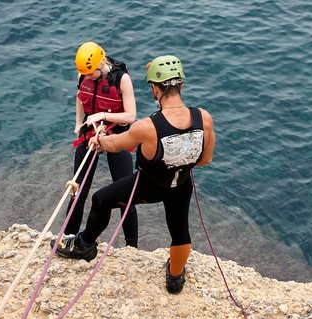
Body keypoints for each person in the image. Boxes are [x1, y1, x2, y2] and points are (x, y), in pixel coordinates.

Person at [55, 55, 215, 294]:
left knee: (101, 199)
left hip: (148, 186)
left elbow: (116, 144)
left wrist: (98, 139)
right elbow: (205, 159)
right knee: (180, 230)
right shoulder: (204, 118)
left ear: (155, 89)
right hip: (180, 184)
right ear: (181, 84)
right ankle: (174, 277)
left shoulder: (147, 126)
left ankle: (85, 245)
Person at [56, 41, 139, 248]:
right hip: (90, 131)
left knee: (125, 195)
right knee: (79, 188)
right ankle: (68, 237)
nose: (89, 76)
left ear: (101, 62)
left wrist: (103, 115)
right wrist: (77, 123)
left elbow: (131, 116)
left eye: (92, 72)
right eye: (86, 73)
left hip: (117, 133)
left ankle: (132, 247)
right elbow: (80, 97)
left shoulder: (122, 79)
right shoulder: (83, 75)